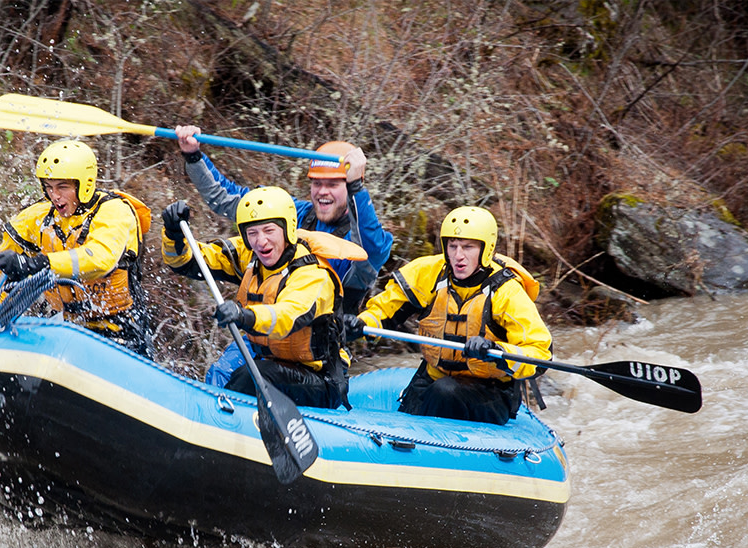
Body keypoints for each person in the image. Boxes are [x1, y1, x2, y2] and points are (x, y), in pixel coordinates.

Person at [342, 206, 552, 425]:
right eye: (453, 246)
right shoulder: (429, 274)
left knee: (445, 391)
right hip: (434, 377)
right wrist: (361, 323)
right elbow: (385, 311)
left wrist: (497, 351)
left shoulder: (507, 292)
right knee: (428, 397)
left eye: (468, 247)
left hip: (490, 391)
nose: (458, 256)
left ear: (486, 249)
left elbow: (539, 354)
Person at [162, 186, 367, 410]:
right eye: (252, 233)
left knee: (252, 375)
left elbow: (287, 316)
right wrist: (174, 234)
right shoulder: (251, 255)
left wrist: (244, 316)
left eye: (269, 230)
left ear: (287, 229)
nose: (261, 241)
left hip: (320, 380)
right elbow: (190, 262)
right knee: (221, 373)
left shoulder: (313, 274)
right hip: (274, 363)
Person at [174, 126, 393, 314]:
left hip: (317, 349)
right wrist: (193, 156)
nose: (322, 192)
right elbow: (225, 198)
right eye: (317, 183)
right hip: (266, 327)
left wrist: (356, 187)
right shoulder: (293, 212)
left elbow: (371, 245)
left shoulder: (366, 244)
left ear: (350, 187)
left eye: (333, 185)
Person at [0, 139, 153, 357]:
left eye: (63, 187)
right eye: (49, 187)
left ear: (84, 185)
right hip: (62, 329)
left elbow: (99, 259)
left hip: (120, 333)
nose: (55, 196)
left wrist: (39, 263)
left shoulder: (114, 212)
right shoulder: (37, 218)